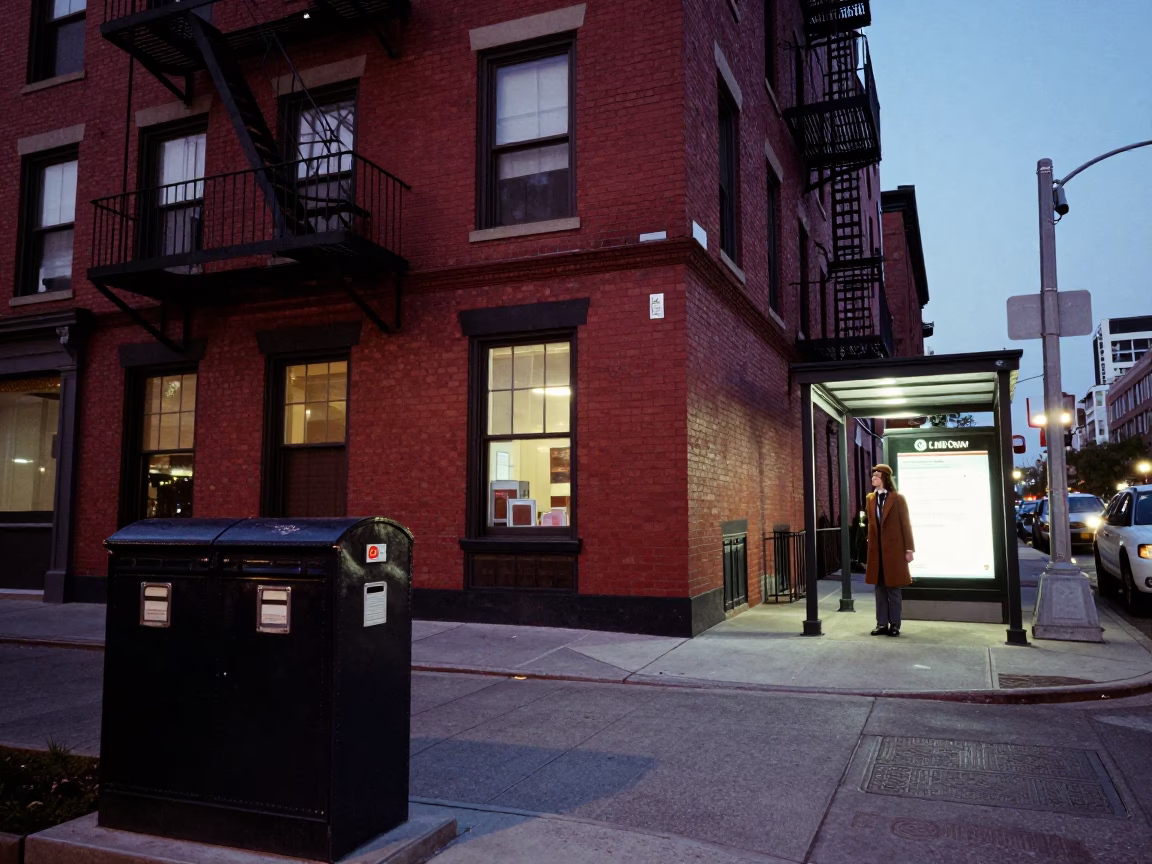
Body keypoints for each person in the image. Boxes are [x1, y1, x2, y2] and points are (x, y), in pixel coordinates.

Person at [865, 464, 915, 637]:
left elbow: (905, 524)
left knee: (893, 589)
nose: (873, 478)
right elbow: (871, 525)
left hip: (894, 551)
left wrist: (909, 549)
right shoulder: (870, 498)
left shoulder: (897, 498)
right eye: (873, 475)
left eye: (877, 475)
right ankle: (881, 624)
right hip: (876, 552)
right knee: (879, 589)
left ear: (885, 478)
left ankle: (895, 625)